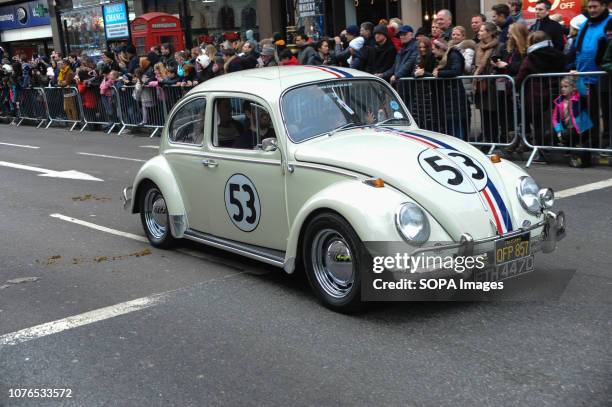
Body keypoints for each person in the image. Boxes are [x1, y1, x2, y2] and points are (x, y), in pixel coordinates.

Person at [515, 31, 566, 158]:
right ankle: (557, 144)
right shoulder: (558, 55)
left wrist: (514, 86)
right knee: (555, 119)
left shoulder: (531, 57)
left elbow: (521, 75)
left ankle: (542, 152)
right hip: (555, 92)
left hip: (536, 94)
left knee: (538, 123)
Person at [574, 0, 611, 153]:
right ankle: (588, 141)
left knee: (606, 112)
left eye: (595, 6)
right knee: (585, 110)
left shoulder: (609, 22)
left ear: (604, 6)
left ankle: (607, 142)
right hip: (583, 76)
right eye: (589, 7)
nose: (592, 10)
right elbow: (578, 48)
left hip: (602, 76)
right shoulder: (585, 24)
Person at [473, 22, 505, 143]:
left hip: (493, 85)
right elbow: (472, 64)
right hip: (480, 84)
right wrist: (475, 72)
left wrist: (494, 66)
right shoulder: (477, 46)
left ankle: (495, 140)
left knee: (493, 114)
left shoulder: (499, 46)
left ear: (490, 33)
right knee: (483, 114)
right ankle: (487, 140)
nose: (479, 33)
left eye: (482, 31)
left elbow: (501, 64)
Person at [552, 76, 594, 167]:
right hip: (567, 129)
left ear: (573, 87)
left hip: (581, 129)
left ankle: (574, 154)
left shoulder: (578, 97)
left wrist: (577, 78)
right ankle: (568, 151)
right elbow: (555, 119)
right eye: (562, 87)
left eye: (566, 86)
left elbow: (584, 92)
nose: (563, 89)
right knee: (550, 134)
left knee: (569, 134)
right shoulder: (559, 101)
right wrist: (558, 131)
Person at [431, 39, 469, 139]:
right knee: (451, 127)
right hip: (448, 97)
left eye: (434, 49)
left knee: (456, 126)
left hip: (454, 96)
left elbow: (456, 71)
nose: (433, 51)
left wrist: (440, 73)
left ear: (440, 49)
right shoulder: (442, 58)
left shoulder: (453, 55)